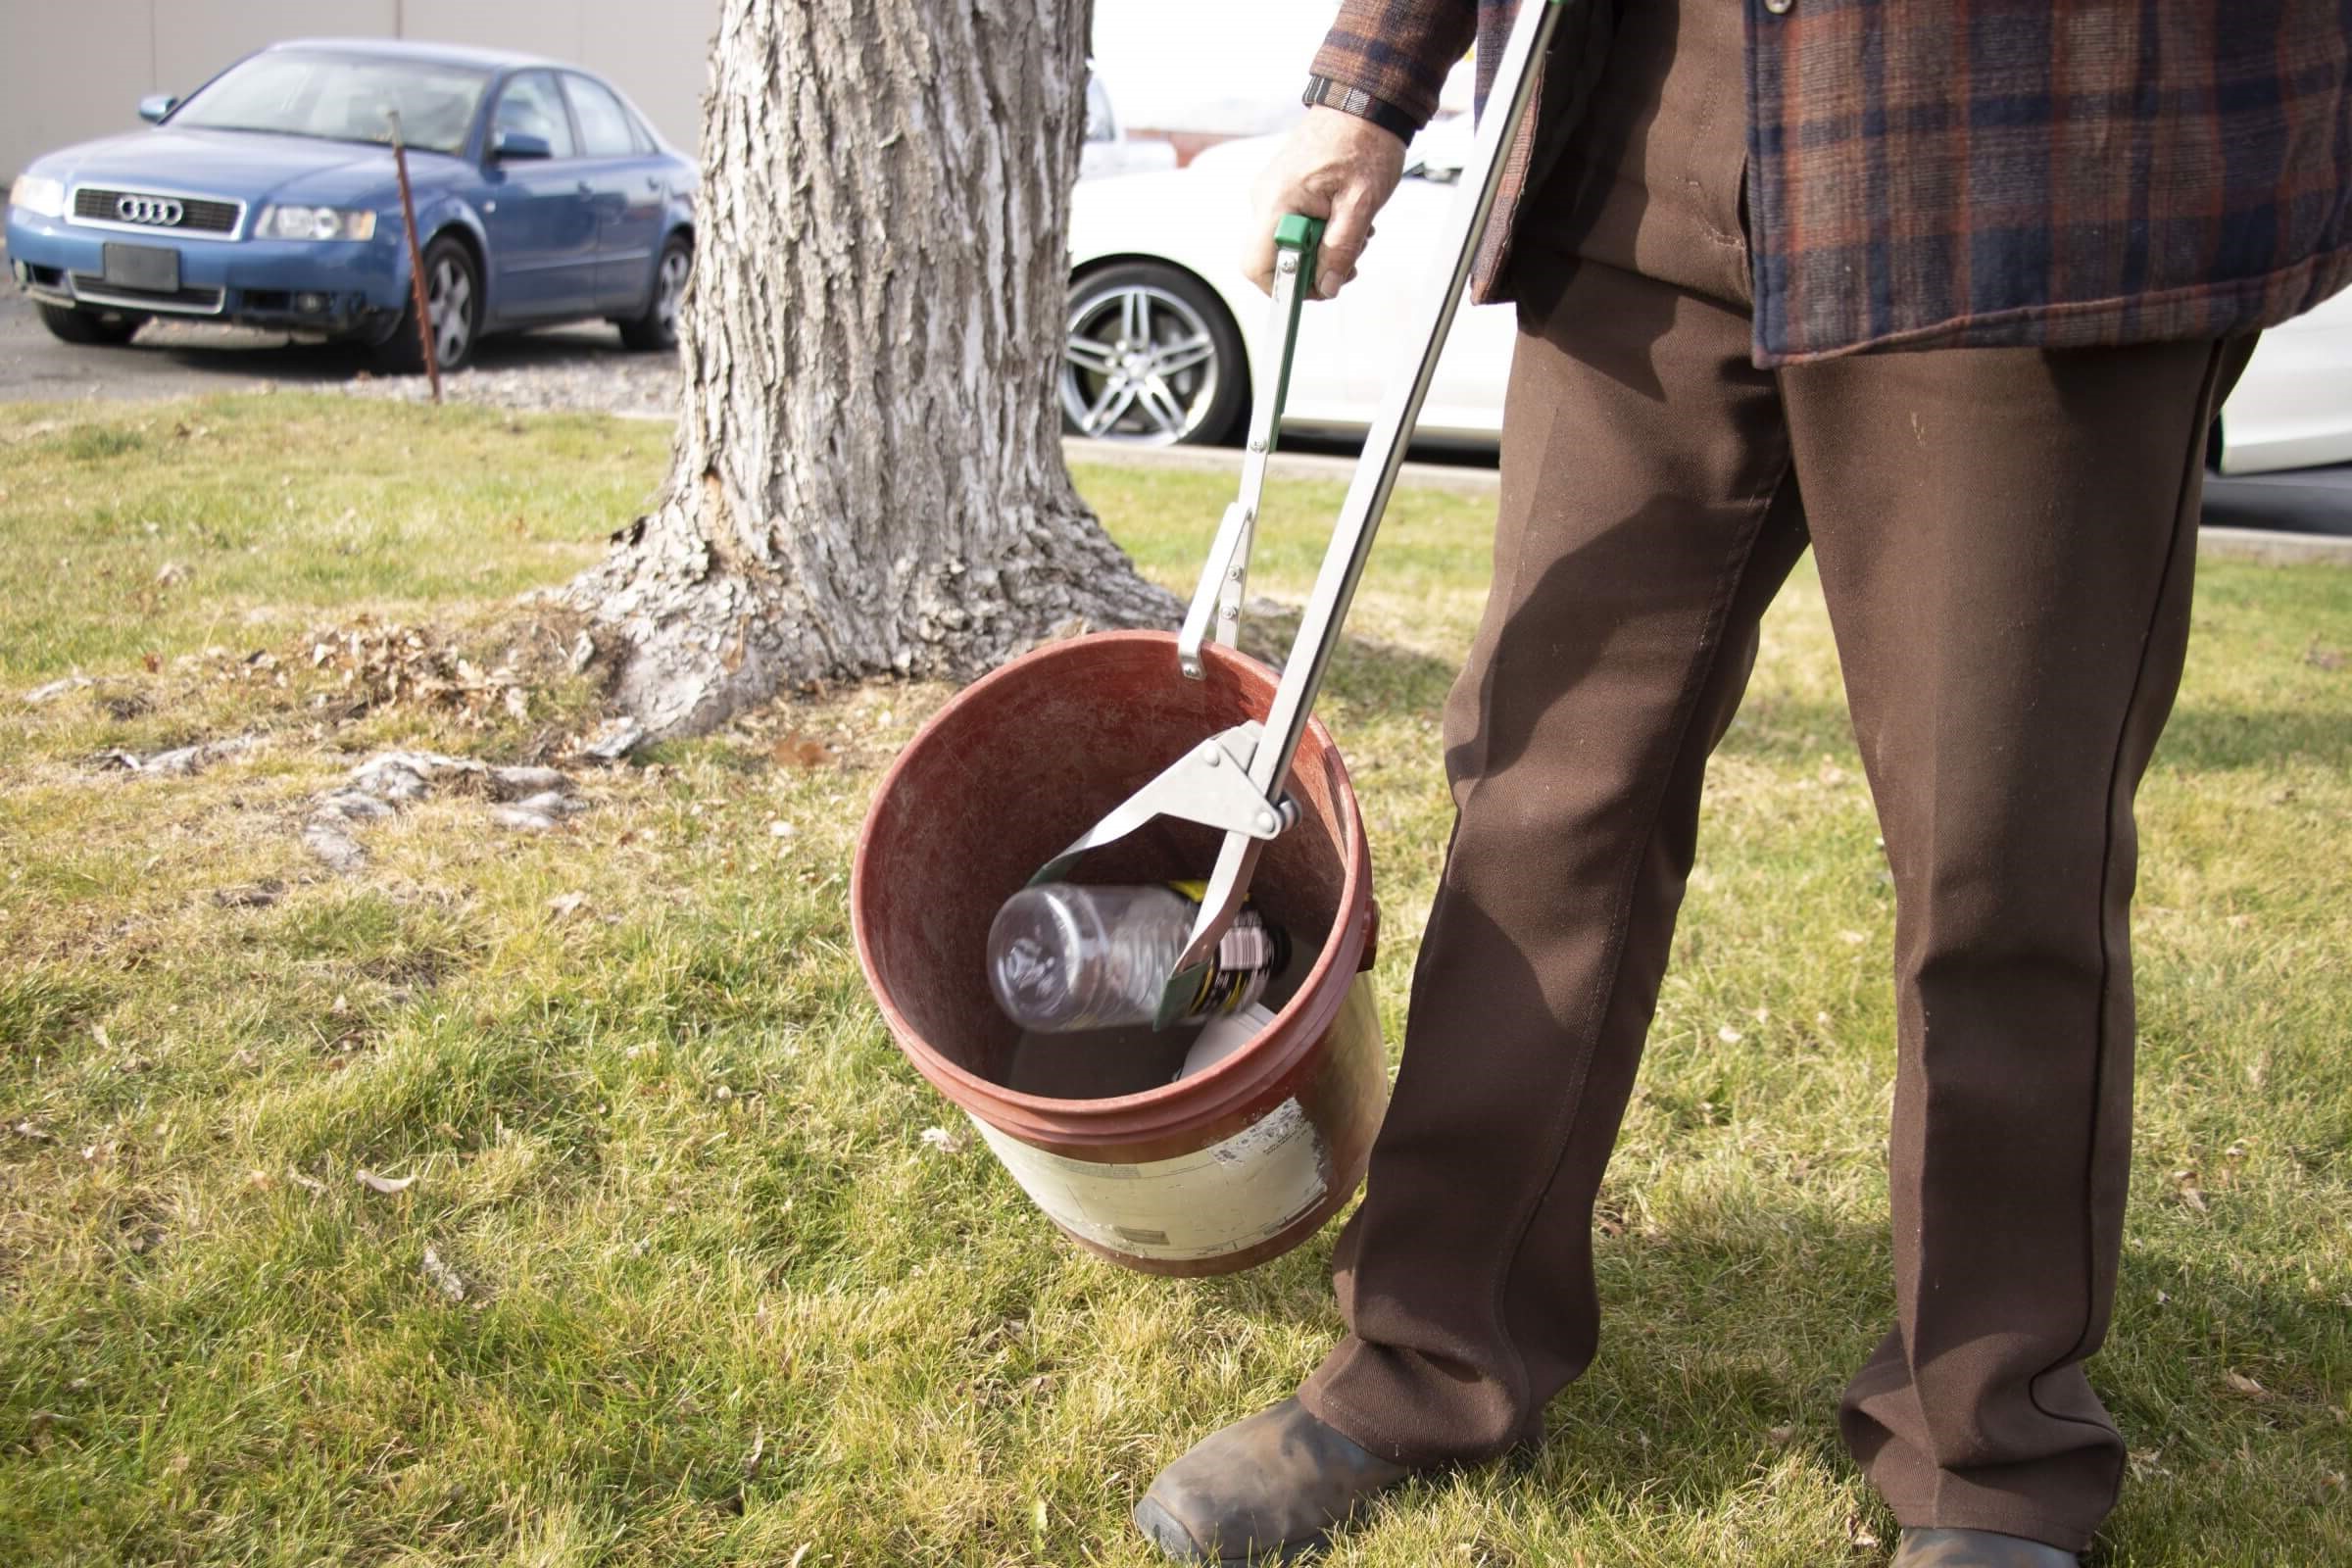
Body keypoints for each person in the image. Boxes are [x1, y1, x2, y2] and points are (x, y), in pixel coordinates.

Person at [1130, 2, 2352, 1564]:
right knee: (1540, 802)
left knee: (1999, 853)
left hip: (2032, 155)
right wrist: (1370, 83)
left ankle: (1991, 1453)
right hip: (1656, 133)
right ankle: (1428, 1360)